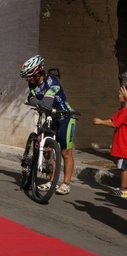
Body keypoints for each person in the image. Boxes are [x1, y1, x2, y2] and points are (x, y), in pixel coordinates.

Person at [20, 55, 76, 195]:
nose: (28, 80)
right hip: (51, 117)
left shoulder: (52, 82)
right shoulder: (32, 83)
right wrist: (35, 101)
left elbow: (45, 103)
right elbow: (31, 98)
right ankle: (51, 181)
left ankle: (66, 184)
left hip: (65, 117)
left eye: (29, 76)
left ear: (37, 73)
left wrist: (36, 102)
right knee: (47, 150)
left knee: (65, 152)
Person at [93, 87, 127, 197]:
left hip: (124, 145)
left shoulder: (126, 111)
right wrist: (101, 121)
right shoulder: (121, 110)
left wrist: (101, 122)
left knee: (123, 167)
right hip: (121, 144)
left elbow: (115, 124)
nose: (119, 96)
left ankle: (123, 189)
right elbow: (113, 120)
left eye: (122, 94)